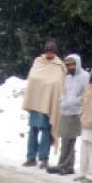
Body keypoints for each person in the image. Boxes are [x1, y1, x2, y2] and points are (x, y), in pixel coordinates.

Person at [22, 40, 66, 168]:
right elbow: (33, 78)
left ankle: (44, 158)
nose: (49, 53)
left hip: (48, 104)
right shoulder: (38, 62)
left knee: (46, 130)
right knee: (33, 129)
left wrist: (47, 85)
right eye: (47, 50)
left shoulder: (59, 66)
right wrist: (43, 84)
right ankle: (31, 157)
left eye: (51, 51)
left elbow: (58, 83)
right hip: (36, 102)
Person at [47, 54, 88, 175]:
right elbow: (64, 93)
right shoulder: (68, 78)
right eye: (68, 65)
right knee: (65, 139)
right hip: (66, 111)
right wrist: (62, 101)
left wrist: (74, 101)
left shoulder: (85, 76)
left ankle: (67, 166)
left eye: (73, 64)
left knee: (70, 140)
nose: (71, 67)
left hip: (76, 113)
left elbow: (86, 95)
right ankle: (63, 163)